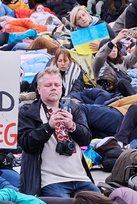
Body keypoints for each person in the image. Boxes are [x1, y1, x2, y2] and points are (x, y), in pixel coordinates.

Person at [18, 67, 98, 197]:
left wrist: (72, 126)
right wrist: (48, 127)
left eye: (57, 85)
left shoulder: (73, 108)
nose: (53, 88)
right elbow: (26, 143)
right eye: (48, 85)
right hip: (51, 181)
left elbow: (86, 139)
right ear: (39, 89)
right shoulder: (27, 111)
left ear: (62, 88)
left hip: (80, 177)